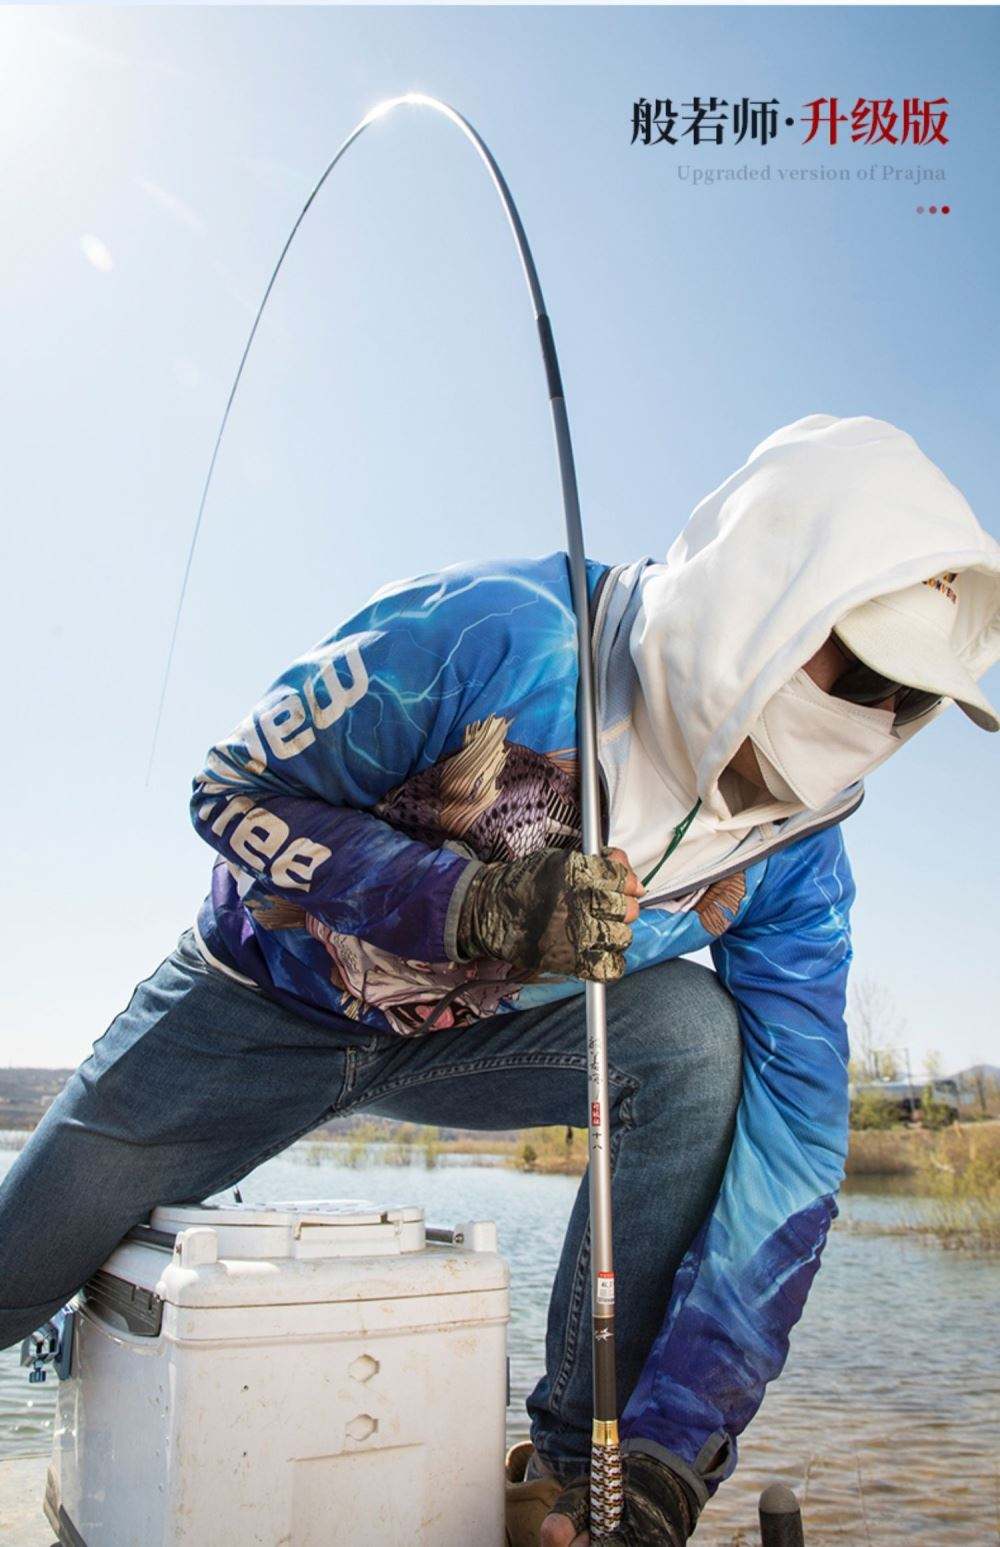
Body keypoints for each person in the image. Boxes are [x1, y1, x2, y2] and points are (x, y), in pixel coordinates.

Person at [1, 413, 998, 1546]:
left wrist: (675, 1450)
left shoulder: (797, 858)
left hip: (467, 1048)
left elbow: (796, 1150)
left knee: (693, 1038)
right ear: (770, 586)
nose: (873, 718)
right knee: (14, 1264)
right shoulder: (493, 636)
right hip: (249, 1007)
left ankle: (578, 1479)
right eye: (863, 669)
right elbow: (229, 794)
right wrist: (463, 901)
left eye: (909, 699)